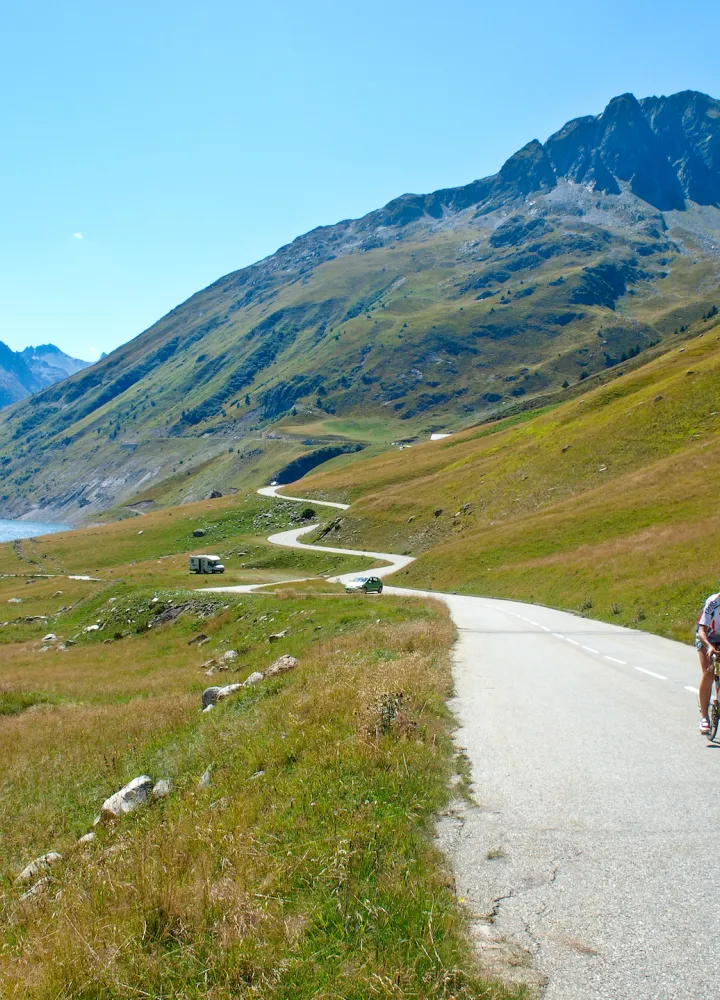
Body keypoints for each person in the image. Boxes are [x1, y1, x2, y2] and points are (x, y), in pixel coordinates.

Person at [696, 589, 720, 733]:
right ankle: (704, 717)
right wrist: (709, 647)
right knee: (709, 672)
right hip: (707, 637)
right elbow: (701, 631)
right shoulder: (713, 602)